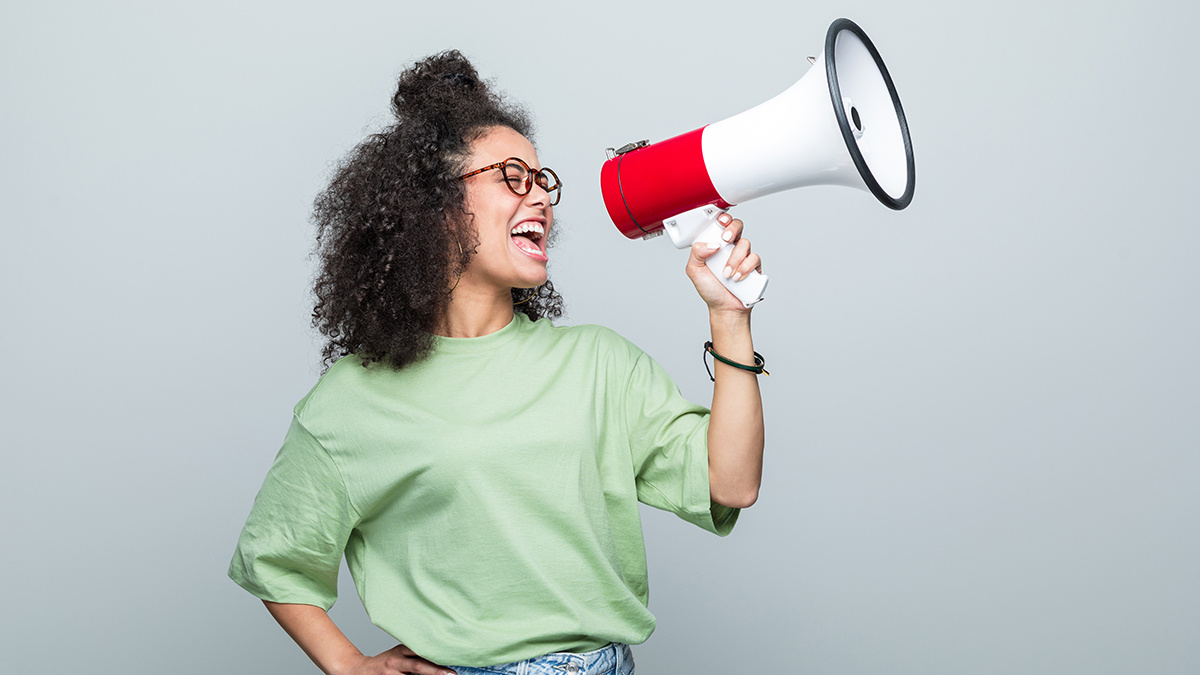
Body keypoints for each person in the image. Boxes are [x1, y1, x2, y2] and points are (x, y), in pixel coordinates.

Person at [229, 50, 765, 675]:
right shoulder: (352, 399)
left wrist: (730, 319)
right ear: (433, 206)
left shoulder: (597, 363)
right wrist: (346, 663)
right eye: (513, 176)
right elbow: (276, 554)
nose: (539, 196)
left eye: (543, 180)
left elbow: (731, 484)